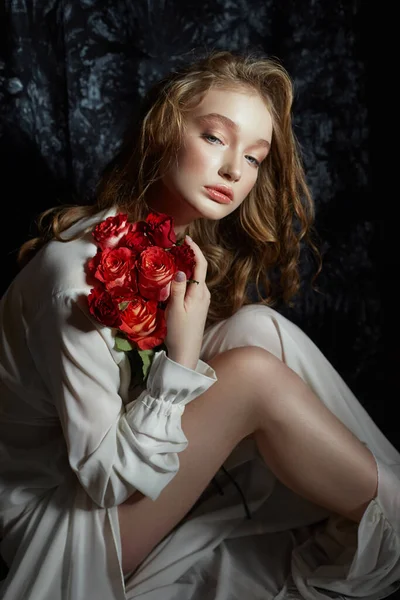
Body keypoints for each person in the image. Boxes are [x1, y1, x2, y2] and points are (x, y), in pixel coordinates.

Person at [0, 49, 399, 600]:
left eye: (255, 158)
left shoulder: (167, 247)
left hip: (109, 496)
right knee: (252, 375)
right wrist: (182, 361)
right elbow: (105, 479)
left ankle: (390, 500)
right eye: (216, 137)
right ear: (164, 131)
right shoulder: (77, 278)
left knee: (257, 328)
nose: (236, 171)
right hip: (62, 526)